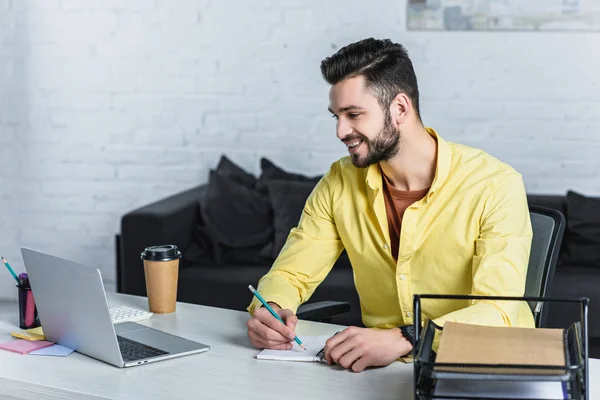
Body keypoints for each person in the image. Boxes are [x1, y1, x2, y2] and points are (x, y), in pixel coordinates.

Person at [246, 38, 533, 373]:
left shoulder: (494, 185)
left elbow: (497, 311)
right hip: (380, 369)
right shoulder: (340, 182)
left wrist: (404, 338)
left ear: (399, 108)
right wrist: (271, 309)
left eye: (353, 114)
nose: (340, 130)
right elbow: (291, 273)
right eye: (336, 116)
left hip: (480, 366)